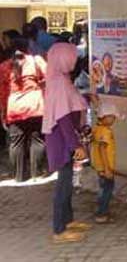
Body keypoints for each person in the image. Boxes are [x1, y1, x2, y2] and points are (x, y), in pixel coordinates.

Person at [42, 43, 92, 244]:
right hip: (62, 141)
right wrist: (76, 146)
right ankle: (59, 230)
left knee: (68, 181)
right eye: (71, 56)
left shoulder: (60, 79)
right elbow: (63, 119)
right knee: (63, 185)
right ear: (62, 58)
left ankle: (68, 220)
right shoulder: (59, 83)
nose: (74, 60)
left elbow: (72, 103)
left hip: (65, 139)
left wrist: (87, 98)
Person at [4, 37, 47, 182]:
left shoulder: (4, 67)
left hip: (14, 107)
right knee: (37, 140)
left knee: (16, 143)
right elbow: (49, 78)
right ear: (28, 47)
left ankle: (19, 176)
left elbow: (2, 92)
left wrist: (2, 112)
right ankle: (37, 173)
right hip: (35, 106)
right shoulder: (36, 61)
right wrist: (40, 84)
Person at [91, 101, 118, 224]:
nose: (114, 119)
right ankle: (102, 214)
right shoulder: (105, 132)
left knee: (103, 189)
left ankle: (101, 210)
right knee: (107, 190)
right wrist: (107, 169)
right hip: (104, 167)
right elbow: (102, 149)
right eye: (112, 116)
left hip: (99, 166)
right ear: (105, 117)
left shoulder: (97, 128)